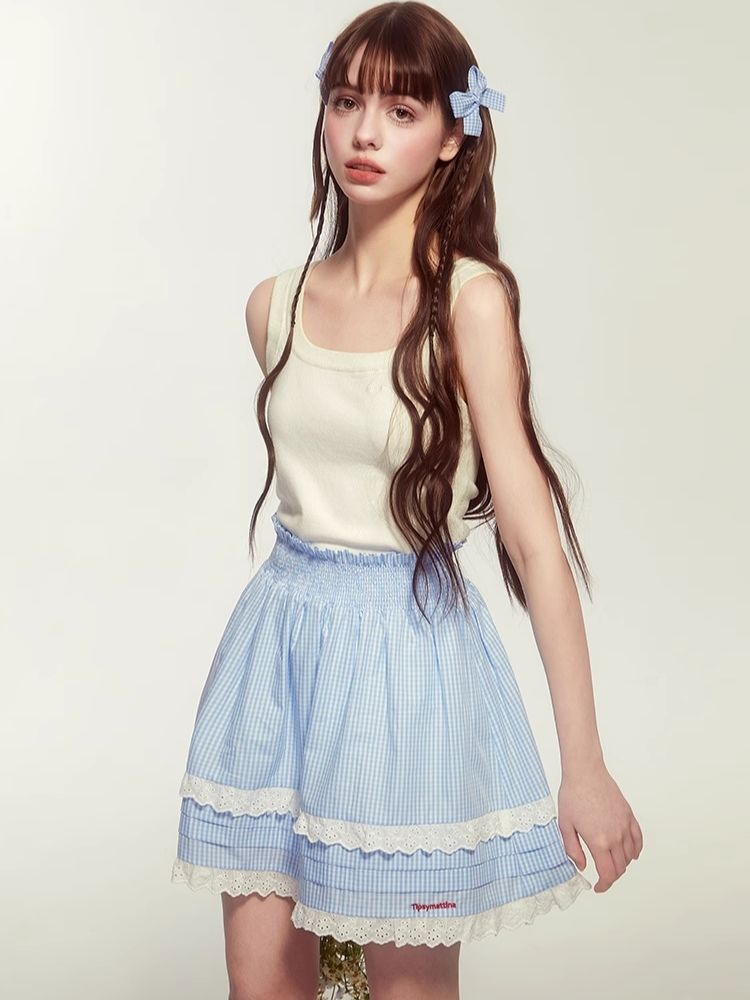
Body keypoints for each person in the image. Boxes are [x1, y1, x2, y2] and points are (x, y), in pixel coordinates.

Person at [170, 3, 643, 998]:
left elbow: (534, 541)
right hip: (276, 655)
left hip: (408, 664)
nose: (365, 133)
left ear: (452, 134)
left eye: (401, 109)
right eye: (346, 102)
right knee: (262, 987)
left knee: (404, 991)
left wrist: (586, 763)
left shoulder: (470, 301)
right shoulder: (272, 306)